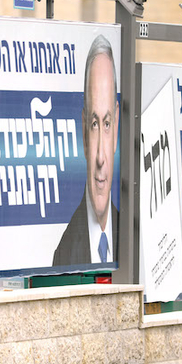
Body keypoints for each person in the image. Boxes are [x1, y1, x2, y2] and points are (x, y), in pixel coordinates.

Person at [53, 34, 119, 266]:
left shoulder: (132, 239)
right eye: (94, 125)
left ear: (118, 125)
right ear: (83, 134)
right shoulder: (64, 254)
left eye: (107, 124)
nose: (101, 157)